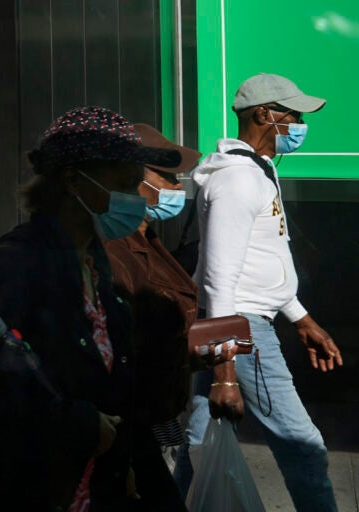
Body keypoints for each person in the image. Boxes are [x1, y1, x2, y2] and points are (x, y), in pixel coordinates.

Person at [0, 107, 182, 511]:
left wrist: (121, 461)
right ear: (73, 180)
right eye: (123, 182)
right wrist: (76, 424)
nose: (134, 197)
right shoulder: (12, 269)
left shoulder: (95, 266)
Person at [173, 73, 343, 510]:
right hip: (242, 330)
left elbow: (262, 261)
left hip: (236, 322)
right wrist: (225, 374)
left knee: (199, 445)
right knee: (303, 446)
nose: (301, 124)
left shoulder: (256, 172)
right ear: (265, 115)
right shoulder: (238, 181)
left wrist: (301, 317)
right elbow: (219, 279)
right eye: (295, 114)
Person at [103, 125, 236, 512]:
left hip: (147, 425)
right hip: (124, 432)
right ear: (129, 179)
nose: (178, 188)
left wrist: (208, 347)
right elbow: (120, 348)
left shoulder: (145, 236)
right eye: (167, 177)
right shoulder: (113, 250)